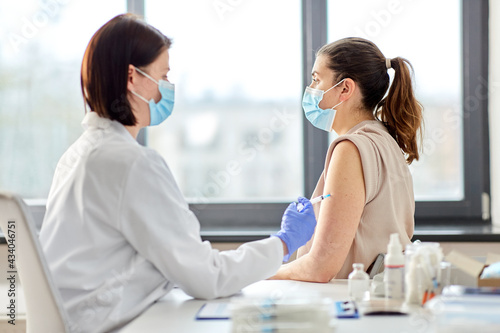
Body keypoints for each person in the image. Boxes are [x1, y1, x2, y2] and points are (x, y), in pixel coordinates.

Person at [39, 14, 316, 333]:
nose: (168, 87)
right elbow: (207, 277)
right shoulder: (131, 163)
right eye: (163, 74)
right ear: (132, 77)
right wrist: (282, 243)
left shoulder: (77, 154)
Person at [271, 37, 423, 282]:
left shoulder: (350, 148)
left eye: (316, 79)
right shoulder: (385, 139)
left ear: (345, 89)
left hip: (348, 304)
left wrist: (256, 275)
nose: (311, 88)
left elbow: (319, 268)